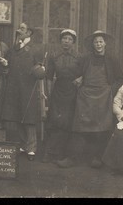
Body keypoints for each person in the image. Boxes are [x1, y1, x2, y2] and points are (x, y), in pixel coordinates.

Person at [72, 30, 123, 168]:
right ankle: (75, 158)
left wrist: (110, 90)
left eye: (101, 41)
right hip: (86, 97)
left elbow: (120, 79)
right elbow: (76, 74)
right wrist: (79, 79)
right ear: (92, 44)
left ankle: (98, 158)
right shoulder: (85, 59)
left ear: (105, 43)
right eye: (96, 42)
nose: (98, 44)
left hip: (104, 97)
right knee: (81, 126)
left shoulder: (112, 59)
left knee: (101, 128)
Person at [2, 22, 45, 161]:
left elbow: (41, 68)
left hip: (28, 87)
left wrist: (40, 70)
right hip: (14, 86)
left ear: (29, 33)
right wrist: (5, 64)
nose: (18, 31)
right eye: (19, 28)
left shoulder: (36, 49)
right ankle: (22, 145)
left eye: (22, 29)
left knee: (29, 116)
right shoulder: (14, 48)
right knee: (17, 114)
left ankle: (31, 148)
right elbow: (8, 65)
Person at [41, 29, 80, 167]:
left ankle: (62, 155)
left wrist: (80, 79)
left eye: (69, 39)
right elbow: (49, 77)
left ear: (73, 42)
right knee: (54, 121)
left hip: (72, 92)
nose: (66, 41)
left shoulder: (78, 57)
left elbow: (85, 73)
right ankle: (49, 153)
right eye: (64, 39)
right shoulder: (54, 56)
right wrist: (49, 94)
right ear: (61, 41)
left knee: (67, 122)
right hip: (58, 91)